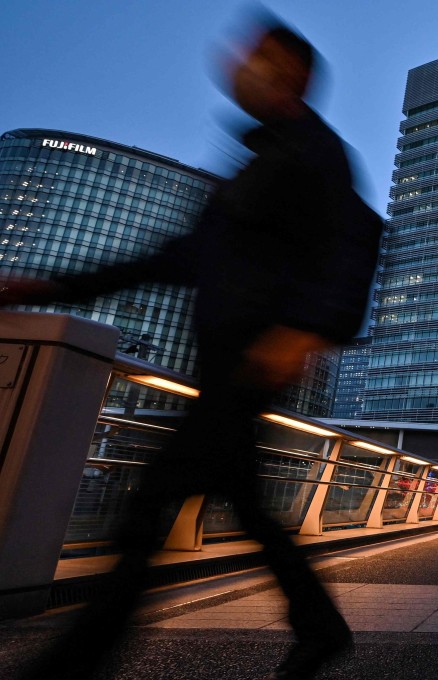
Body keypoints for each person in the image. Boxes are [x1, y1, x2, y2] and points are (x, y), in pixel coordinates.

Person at [5, 20, 377, 680]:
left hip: (253, 361)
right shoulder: (257, 163)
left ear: (289, 73)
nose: (239, 69)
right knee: (249, 504)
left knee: (146, 508)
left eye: (255, 60)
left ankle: (69, 665)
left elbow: (357, 243)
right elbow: (176, 258)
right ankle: (320, 626)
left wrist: (306, 331)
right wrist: (53, 284)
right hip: (223, 364)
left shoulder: (312, 151)